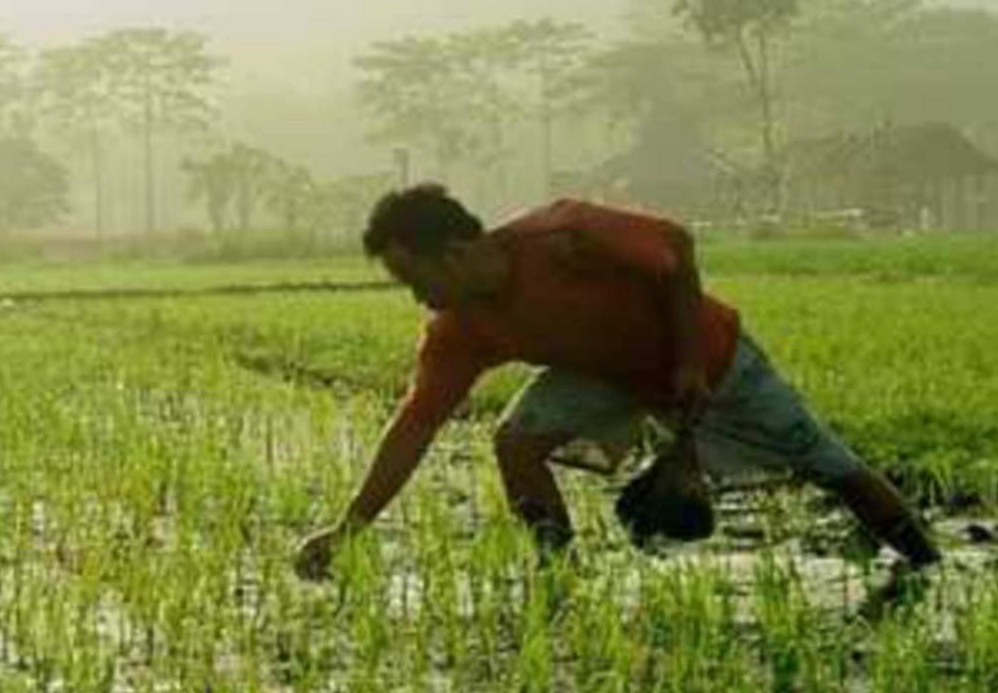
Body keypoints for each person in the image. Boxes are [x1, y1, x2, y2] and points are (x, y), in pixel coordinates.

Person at [293, 184, 940, 580]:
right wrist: (348, 527)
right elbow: (414, 425)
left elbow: (676, 249)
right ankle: (558, 573)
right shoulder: (460, 329)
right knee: (514, 441)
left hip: (709, 356)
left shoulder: (563, 234)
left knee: (826, 462)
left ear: (454, 253)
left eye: (414, 279)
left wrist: (686, 360)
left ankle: (924, 564)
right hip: (607, 376)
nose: (417, 299)